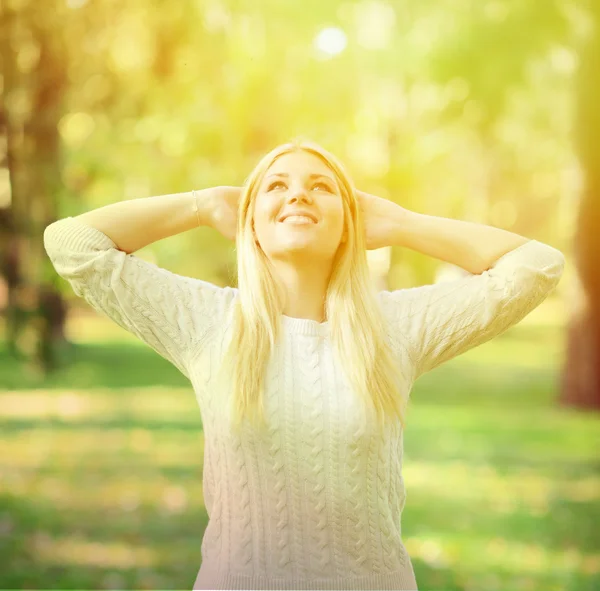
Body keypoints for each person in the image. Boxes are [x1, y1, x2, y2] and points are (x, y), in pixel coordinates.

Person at [43, 138, 565, 590]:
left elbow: (536, 267)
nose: (297, 193)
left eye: (320, 186)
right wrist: (203, 205)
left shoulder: (394, 326)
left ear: (348, 224)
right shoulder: (207, 322)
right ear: (250, 225)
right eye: (274, 186)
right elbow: (72, 246)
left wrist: (402, 224)